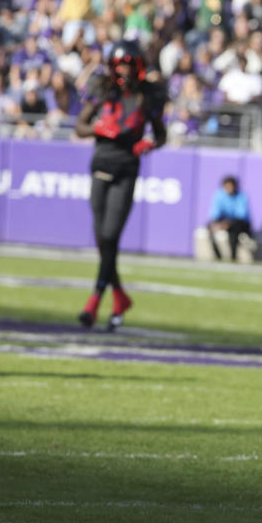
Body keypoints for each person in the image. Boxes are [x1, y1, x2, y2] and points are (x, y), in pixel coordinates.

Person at [74, 39, 167, 330]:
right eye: (119, 65)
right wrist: (99, 128)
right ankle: (119, 296)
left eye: (128, 64)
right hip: (101, 164)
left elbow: (160, 134)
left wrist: (149, 144)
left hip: (127, 169)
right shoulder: (102, 88)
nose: (123, 70)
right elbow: (80, 126)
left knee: (111, 235)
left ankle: (94, 302)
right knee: (102, 238)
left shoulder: (147, 96)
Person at [207, 175, 253, 261]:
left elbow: (241, 215)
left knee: (233, 232)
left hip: (240, 223)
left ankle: (233, 257)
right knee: (210, 229)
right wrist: (217, 224)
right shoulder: (219, 195)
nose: (229, 188)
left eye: (231, 186)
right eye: (227, 186)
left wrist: (228, 223)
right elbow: (215, 213)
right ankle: (218, 256)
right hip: (223, 222)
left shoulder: (241, 196)